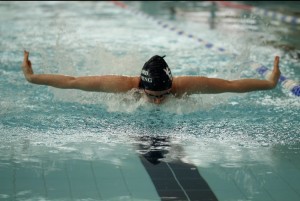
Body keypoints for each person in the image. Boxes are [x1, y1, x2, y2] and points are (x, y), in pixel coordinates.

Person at [21, 50, 281, 104]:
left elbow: (231, 86)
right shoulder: (123, 86)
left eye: (163, 95)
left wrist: (269, 82)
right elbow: (73, 82)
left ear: (171, 86)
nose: (158, 101)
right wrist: (33, 78)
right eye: (152, 95)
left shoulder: (182, 87)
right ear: (142, 86)